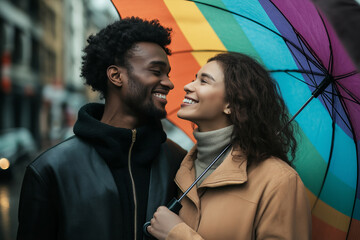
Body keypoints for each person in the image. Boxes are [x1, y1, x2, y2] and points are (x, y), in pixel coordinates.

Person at [17, 17, 186, 240]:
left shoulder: (179, 161)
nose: (169, 83)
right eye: (156, 71)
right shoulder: (51, 169)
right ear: (116, 76)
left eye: (168, 74)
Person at [146, 52, 312, 239]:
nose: (187, 86)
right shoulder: (181, 166)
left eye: (204, 81)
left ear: (232, 104)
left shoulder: (279, 181)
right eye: (194, 79)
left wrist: (177, 234)